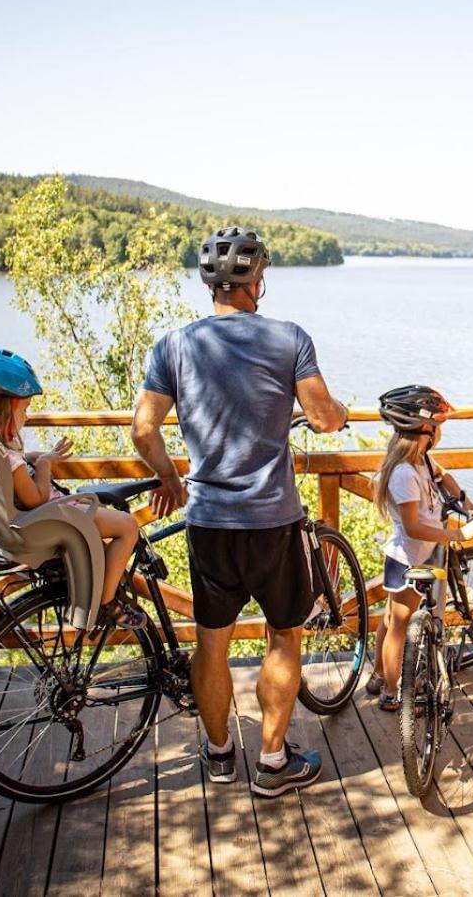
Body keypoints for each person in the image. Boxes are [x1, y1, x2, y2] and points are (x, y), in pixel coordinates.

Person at [132, 226, 349, 797]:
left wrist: (170, 478)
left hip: (208, 521)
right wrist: (341, 411)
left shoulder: (175, 346)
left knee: (212, 641)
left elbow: (143, 428)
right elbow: (324, 417)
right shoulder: (288, 339)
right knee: (284, 636)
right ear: (258, 280)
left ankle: (221, 755)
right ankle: (273, 764)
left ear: (210, 283)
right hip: (272, 520)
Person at [0, 346, 145, 628]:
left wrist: (30, 458)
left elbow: (14, 467)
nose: (27, 417)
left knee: (108, 523)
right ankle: (107, 603)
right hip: (50, 520)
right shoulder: (7, 456)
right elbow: (35, 498)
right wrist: (44, 465)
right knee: (128, 526)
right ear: (4, 408)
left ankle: (96, 585)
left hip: (21, 526)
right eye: (25, 409)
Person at [362, 386, 473, 712]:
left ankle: (379, 674)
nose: (440, 433)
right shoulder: (403, 474)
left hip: (416, 552)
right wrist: (452, 534)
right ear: (425, 431)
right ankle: (390, 691)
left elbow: (445, 477)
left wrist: (466, 503)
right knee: (399, 623)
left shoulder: (421, 461)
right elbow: (413, 526)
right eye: (438, 427)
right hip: (409, 558)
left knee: (390, 618)